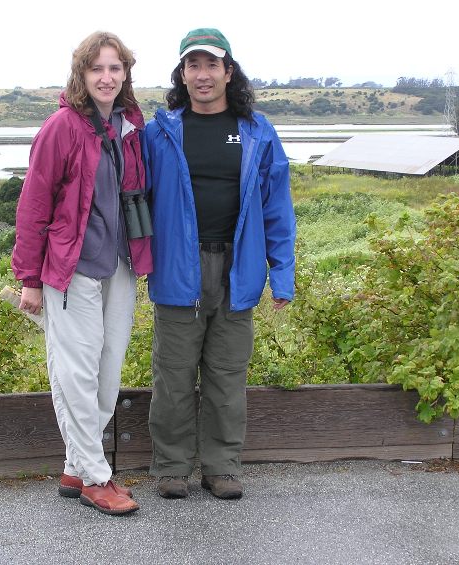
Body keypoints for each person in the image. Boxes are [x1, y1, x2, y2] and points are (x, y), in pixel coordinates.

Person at [142, 28, 296, 500]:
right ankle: (171, 467)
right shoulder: (160, 132)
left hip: (239, 270)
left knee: (228, 377)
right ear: (182, 75)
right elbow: (134, 197)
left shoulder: (257, 132)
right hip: (177, 272)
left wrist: (282, 274)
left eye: (212, 65)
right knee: (173, 376)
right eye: (193, 65)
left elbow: (277, 207)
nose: (203, 74)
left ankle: (222, 467)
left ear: (229, 73)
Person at [12, 31, 152, 516]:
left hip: (121, 265)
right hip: (70, 270)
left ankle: (77, 464)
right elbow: (33, 205)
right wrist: (30, 278)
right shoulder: (62, 127)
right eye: (98, 69)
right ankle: (96, 476)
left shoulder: (130, 127)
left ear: (125, 74)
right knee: (76, 372)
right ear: (82, 74)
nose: (107, 77)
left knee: (107, 369)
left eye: (115, 68)